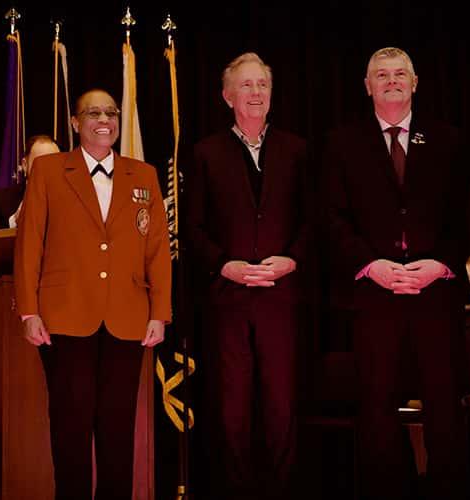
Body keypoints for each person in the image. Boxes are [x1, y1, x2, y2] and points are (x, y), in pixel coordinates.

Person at [324, 47, 470, 499]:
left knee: (446, 406)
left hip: (436, 292)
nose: (391, 81)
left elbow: (467, 214)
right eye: (381, 74)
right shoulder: (341, 142)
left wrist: (441, 264)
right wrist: (371, 265)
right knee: (376, 407)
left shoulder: (448, 139)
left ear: (415, 81)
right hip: (374, 293)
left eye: (400, 73)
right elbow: (331, 217)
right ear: (367, 85)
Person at [14, 89, 171, 499]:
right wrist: (29, 311)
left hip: (127, 317)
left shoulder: (145, 175)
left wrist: (160, 312)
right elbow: (29, 244)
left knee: (119, 430)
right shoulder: (48, 170)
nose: (105, 119)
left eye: (111, 112)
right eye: (93, 112)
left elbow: (157, 249)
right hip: (65, 318)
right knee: (70, 428)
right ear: (75, 122)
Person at [185, 52, 311, 499]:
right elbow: (192, 227)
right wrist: (224, 265)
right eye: (246, 85)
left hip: (281, 298)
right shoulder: (205, 152)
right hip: (228, 300)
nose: (256, 93)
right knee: (231, 409)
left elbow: (313, 221)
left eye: (262, 85)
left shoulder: (297, 151)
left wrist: (292, 259)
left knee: (282, 408)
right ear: (226, 95)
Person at [0, 134, 60, 230]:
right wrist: (15, 220)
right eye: (41, 163)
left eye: (54, 163)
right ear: (24, 165)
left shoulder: (72, 200)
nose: (48, 170)